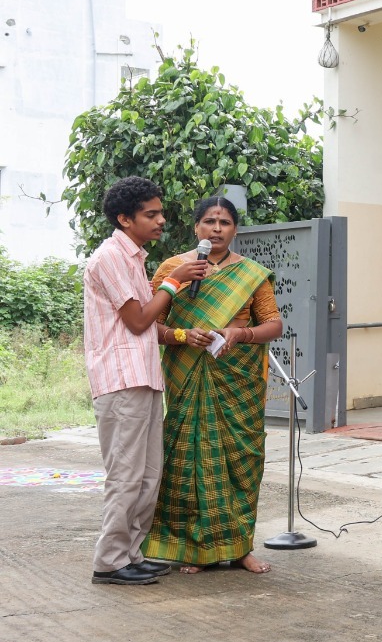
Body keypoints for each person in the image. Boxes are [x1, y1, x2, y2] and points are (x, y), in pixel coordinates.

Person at [145, 197, 284, 573]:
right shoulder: (173, 268)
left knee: (241, 460)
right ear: (196, 227)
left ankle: (240, 548)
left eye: (225, 222)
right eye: (209, 221)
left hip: (237, 379)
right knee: (188, 460)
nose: (217, 229)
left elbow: (274, 325)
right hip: (187, 374)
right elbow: (149, 323)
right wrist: (181, 334)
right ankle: (193, 547)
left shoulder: (251, 274)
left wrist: (240, 333)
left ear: (235, 229)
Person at [82, 177, 207, 585]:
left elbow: (147, 323)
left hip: (144, 376)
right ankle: (110, 561)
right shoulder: (110, 257)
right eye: (150, 214)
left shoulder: (134, 257)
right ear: (124, 218)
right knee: (125, 474)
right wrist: (174, 281)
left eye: (160, 213)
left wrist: (180, 333)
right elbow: (138, 321)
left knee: (148, 474)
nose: (160, 220)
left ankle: (131, 554)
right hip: (121, 380)